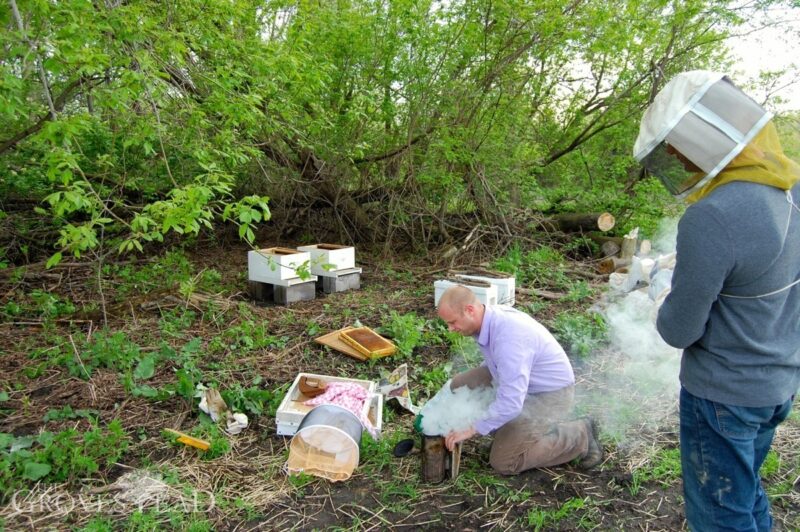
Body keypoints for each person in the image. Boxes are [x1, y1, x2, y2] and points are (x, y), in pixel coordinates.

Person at [633, 70, 800, 531]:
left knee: (720, 515)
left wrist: (660, 299)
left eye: (676, 152)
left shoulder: (712, 215)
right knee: (744, 493)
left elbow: (680, 330)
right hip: (778, 386)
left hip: (724, 395)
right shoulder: (792, 190)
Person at [437, 285, 602, 475]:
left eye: (452, 322)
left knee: (504, 461)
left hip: (549, 395)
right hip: (524, 383)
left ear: (470, 310)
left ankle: (580, 435)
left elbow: (512, 402)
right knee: (461, 386)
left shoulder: (509, 338)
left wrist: (473, 427)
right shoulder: (488, 319)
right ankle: (508, 433)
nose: (450, 329)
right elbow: (499, 363)